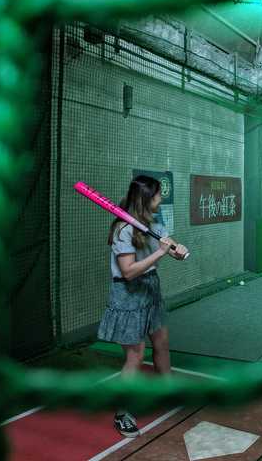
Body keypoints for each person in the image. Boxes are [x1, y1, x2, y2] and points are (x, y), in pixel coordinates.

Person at [98, 175, 188, 437]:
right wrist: (160, 252)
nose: (161, 199)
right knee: (135, 355)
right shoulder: (123, 230)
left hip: (150, 290)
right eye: (158, 195)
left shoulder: (154, 223)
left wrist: (177, 250)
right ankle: (122, 413)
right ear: (148, 198)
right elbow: (127, 272)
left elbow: (169, 246)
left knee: (161, 343)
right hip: (128, 295)